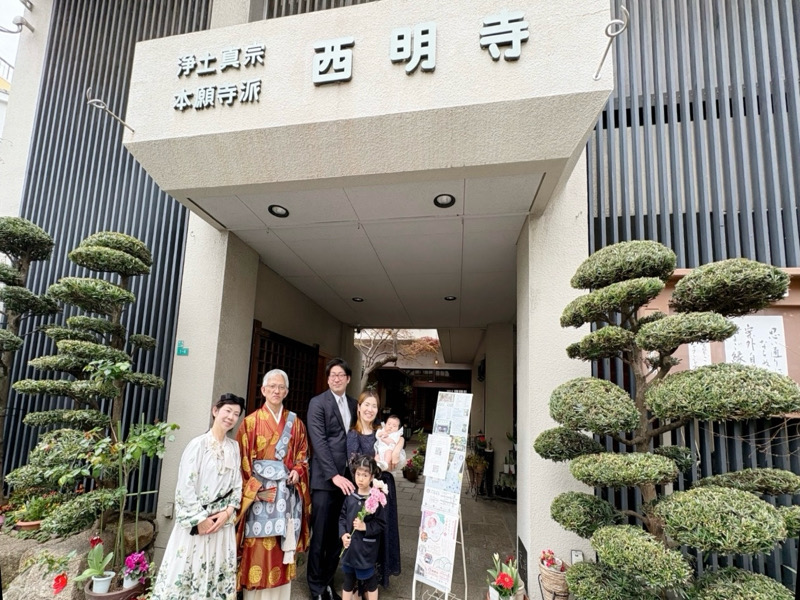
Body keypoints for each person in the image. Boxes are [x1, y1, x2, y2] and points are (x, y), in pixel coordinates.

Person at [151, 393, 245, 600]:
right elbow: (185, 486)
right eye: (227, 411)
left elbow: (238, 485)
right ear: (215, 411)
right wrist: (199, 520)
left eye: (236, 414)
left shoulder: (234, 448)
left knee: (216, 571)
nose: (231, 416)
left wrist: (228, 512)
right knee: (188, 570)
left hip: (222, 523)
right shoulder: (198, 445)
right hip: (199, 524)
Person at [236, 369, 311, 600]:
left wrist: (298, 472)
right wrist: (253, 491)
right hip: (261, 495)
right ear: (263, 390)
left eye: (281, 387)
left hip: (285, 498)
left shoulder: (295, 423)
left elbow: (303, 456)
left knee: (281, 547)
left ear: (286, 391)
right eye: (272, 387)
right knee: (257, 546)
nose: (276, 391)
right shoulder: (249, 423)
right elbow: (242, 461)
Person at [307, 358, 358, 600]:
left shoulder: (353, 404)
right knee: (320, 536)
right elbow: (319, 443)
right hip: (326, 481)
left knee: (339, 536)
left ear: (348, 378)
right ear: (328, 379)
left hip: (349, 482)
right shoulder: (318, 403)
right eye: (332, 375)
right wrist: (334, 475)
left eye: (340, 374)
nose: (336, 378)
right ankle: (316, 588)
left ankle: (327, 583)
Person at [345, 390, 401, 588]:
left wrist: (395, 450)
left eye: (374, 406)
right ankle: (362, 580)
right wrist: (374, 463)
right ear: (359, 407)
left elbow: (399, 438)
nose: (370, 409)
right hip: (366, 491)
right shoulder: (354, 434)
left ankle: (379, 577)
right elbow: (354, 465)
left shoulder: (381, 429)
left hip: (385, 487)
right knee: (365, 533)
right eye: (366, 405)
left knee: (383, 529)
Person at [339, 455, 387, 600]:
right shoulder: (350, 496)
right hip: (349, 549)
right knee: (348, 581)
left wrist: (365, 526)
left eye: (365, 475)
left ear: (372, 477)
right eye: (358, 474)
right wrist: (343, 535)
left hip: (366, 551)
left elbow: (381, 524)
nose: (360, 479)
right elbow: (342, 517)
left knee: (370, 581)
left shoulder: (376, 498)